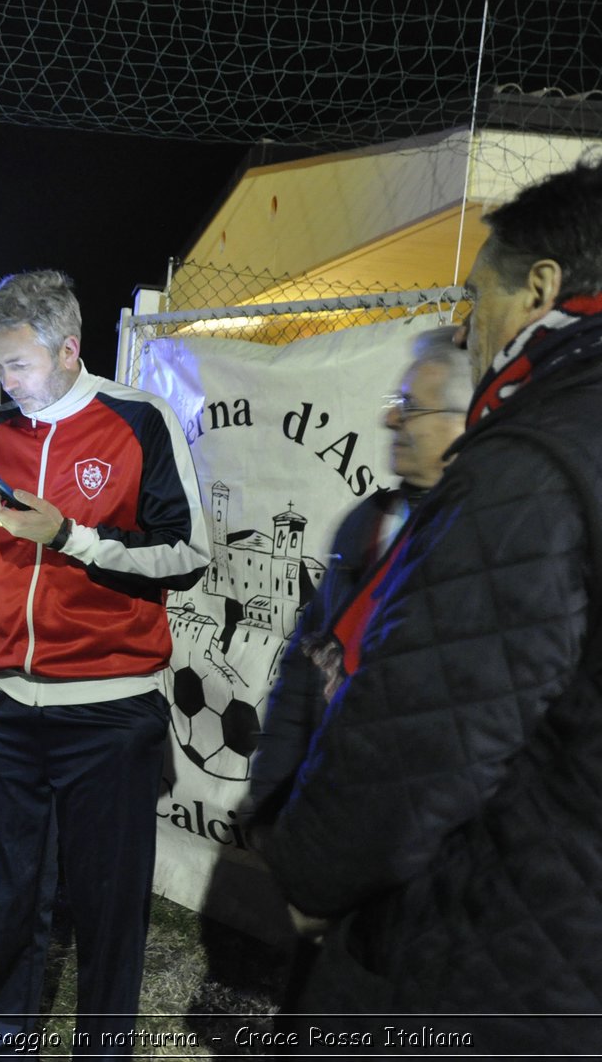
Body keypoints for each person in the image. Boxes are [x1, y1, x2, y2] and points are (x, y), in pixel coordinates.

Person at [263, 157, 602, 1056]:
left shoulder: (535, 462)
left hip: (496, 963)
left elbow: (420, 737)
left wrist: (312, 870)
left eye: (478, 303)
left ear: (542, 289)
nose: (470, 334)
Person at [0, 270, 210, 1057]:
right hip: (2, 705)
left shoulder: (137, 421)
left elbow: (188, 554)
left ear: (67, 349)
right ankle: (1, 1043)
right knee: (2, 893)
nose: (4, 381)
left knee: (107, 901)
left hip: (110, 709)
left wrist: (71, 538)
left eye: (16, 365)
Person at [241, 326, 467, 1015]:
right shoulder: (362, 524)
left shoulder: (475, 539)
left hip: (407, 854)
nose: (389, 417)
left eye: (410, 405)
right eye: (394, 399)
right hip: (323, 811)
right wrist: (271, 792)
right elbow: (304, 666)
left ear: (467, 420)